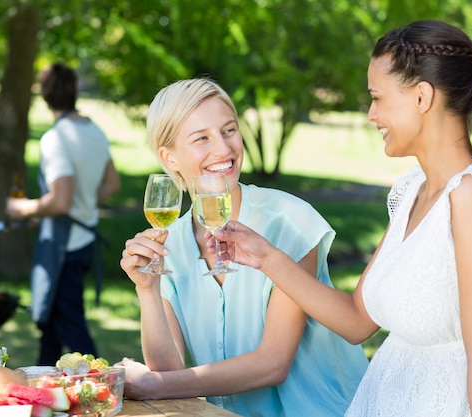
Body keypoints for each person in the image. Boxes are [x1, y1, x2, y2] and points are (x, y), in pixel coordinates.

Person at [212, 20, 472, 416]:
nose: (371, 114)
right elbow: (357, 321)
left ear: (422, 97)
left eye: (378, 98)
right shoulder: (411, 190)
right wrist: (266, 257)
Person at [118, 78, 369, 417]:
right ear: (169, 157)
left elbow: (272, 364)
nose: (223, 149)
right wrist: (148, 290)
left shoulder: (288, 221)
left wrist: (154, 385)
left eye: (229, 130)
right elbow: (168, 374)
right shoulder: (170, 243)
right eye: (201, 138)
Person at [5, 62, 120, 365]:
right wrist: (83, 203)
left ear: (44, 96)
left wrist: (23, 209)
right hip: (83, 241)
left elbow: (61, 202)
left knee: (72, 328)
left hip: (64, 248)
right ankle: (41, 391)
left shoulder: (55, 139)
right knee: (51, 330)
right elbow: (112, 182)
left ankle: (102, 382)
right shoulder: (94, 130)